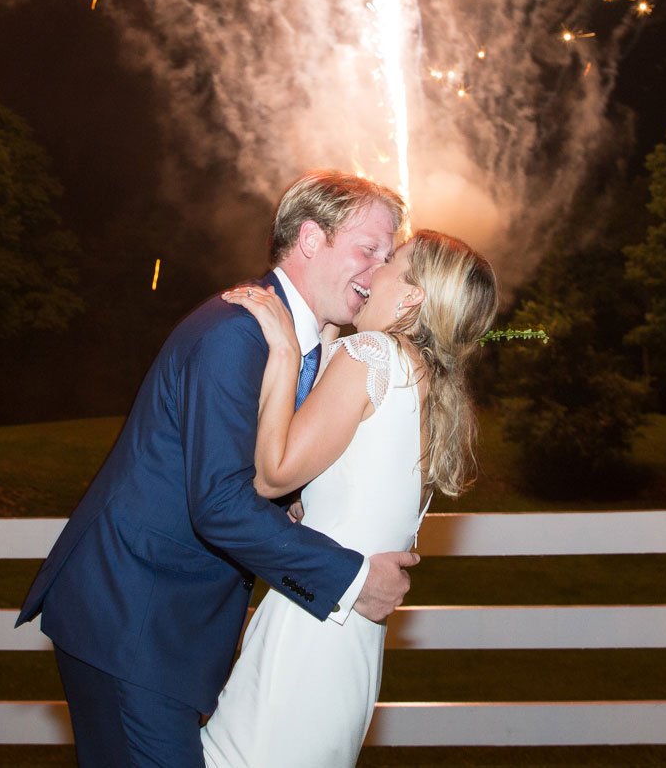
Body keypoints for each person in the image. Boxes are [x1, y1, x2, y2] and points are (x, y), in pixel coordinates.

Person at [17, 171, 423, 766]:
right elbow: (220, 504)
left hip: (167, 629)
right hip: (133, 623)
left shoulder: (306, 346)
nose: (377, 273)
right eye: (367, 251)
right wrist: (355, 580)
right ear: (310, 239)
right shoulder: (238, 331)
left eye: (388, 259)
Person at [200, 229, 499, 768]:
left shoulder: (372, 353)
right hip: (354, 643)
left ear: (411, 296)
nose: (373, 271)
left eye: (391, 262)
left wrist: (286, 350)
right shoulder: (428, 384)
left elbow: (272, 475)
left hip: (310, 628)